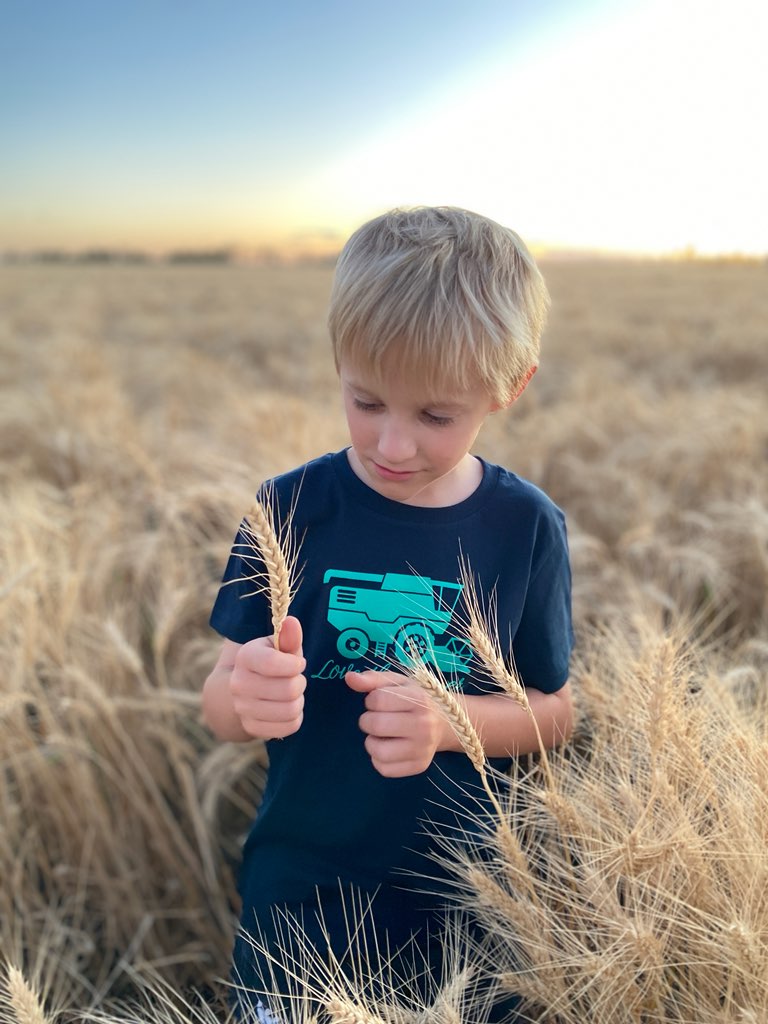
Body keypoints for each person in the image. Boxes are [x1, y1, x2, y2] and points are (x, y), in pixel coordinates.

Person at [202, 206, 574, 1022]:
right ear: (338, 362)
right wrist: (246, 698)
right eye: (366, 401)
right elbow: (220, 698)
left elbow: (553, 713)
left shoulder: (525, 528)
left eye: (435, 416)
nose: (392, 445)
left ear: (511, 388)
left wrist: (451, 722)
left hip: (469, 900)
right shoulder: (287, 507)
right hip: (302, 890)